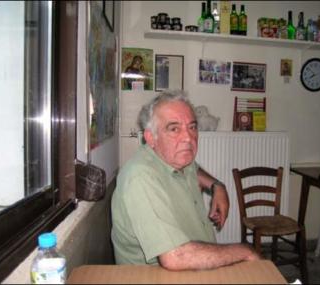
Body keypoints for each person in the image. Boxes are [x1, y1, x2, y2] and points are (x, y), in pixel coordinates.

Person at [111, 90, 261, 270]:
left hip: (195, 269)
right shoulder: (140, 177)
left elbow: (194, 169)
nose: (188, 138)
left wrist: (217, 186)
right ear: (151, 138)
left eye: (192, 127)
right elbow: (175, 257)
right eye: (174, 129)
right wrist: (245, 251)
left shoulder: (175, 158)